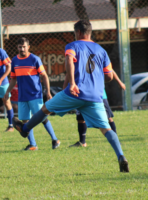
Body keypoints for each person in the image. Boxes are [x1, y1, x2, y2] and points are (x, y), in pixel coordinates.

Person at [12, 20, 129, 172]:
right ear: (90, 32)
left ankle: (25, 129)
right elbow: (109, 76)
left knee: (46, 108)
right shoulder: (101, 50)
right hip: (95, 97)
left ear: (78, 33)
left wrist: (72, 83)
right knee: (106, 129)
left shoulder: (72, 46)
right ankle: (121, 156)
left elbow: (69, 60)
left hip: (75, 92)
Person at [4, 37, 60, 150]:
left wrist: (48, 92)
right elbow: (13, 79)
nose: (22, 49)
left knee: (42, 117)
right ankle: (33, 145)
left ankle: (55, 139)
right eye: (20, 47)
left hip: (35, 94)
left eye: (24, 47)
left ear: (28, 47)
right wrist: (7, 91)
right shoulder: (14, 60)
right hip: (22, 96)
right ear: (17, 48)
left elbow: (44, 76)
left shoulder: (35, 59)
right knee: (25, 120)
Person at [67, 71, 126, 147]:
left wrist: (119, 82)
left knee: (108, 117)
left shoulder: (97, 59)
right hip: (82, 93)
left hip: (98, 93)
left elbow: (110, 71)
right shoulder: (80, 60)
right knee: (80, 117)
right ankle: (82, 142)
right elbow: (69, 74)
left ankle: (116, 140)